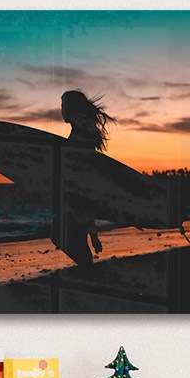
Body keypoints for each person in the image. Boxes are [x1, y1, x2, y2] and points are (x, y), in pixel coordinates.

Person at [52, 90, 117, 264]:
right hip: (76, 200)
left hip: (76, 200)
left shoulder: (80, 138)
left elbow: (87, 180)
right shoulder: (81, 134)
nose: (62, 110)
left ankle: (91, 275)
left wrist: (93, 233)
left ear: (72, 109)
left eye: (64, 106)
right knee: (65, 237)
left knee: (60, 235)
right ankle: (89, 273)